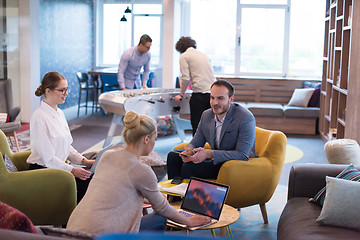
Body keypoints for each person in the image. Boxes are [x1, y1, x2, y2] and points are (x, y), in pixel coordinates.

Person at [66, 111, 211, 234]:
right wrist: (188, 221)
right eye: (155, 139)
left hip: (73, 228)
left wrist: (151, 196)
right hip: (103, 235)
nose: (154, 143)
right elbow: (161, 208)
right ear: (146, 139)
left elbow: (120, 191)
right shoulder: (142, 171)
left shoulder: (106, 155)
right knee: (160, 218)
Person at [167, 79, 257, 180]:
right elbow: (196, 141)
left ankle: (187, 195)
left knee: (189, 167)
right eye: (212, 98)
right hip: (216, 160)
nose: (215, 103)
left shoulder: (245, 117)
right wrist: (190, 151)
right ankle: (174, 195)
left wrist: (209, 154)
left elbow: (242, 155)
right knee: (173, 157)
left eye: (220, 98)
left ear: (231, 99)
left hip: (234, 165)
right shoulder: (207, 115)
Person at [27, 72, 94, 203]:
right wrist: (72, 170)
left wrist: (84, 161)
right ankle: (71, 221)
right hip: (43, 171)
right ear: (48, 91)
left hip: (58, 168)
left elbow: (66, 146)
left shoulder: (60, 113)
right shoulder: (39, 117)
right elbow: (48, 158)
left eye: (66, 89)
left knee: (93, 178)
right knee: (87, 183)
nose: (66, 93)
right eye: (62, 90)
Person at [174, 36, 215, 135]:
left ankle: (196, 149)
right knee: (211, 125)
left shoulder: (184, 56)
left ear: (180, 48)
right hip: (212, 94)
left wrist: (181, 94)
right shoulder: (203, 55)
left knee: (197, 125)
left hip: (199, 95)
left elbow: (185, 78)